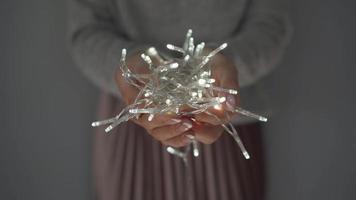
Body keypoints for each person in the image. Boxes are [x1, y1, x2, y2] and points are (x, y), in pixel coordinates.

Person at [68, 0, 291, 199]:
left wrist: (226, 62)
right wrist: (132, 71)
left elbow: (270, 25)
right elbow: (87, 30)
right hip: (135, 115)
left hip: (224, 120)